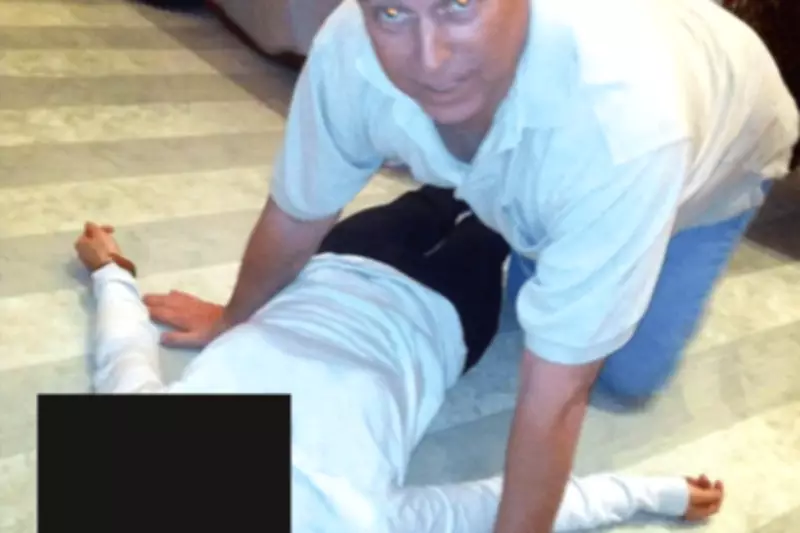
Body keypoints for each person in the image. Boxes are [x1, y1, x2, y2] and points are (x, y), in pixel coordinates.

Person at [141, 0, 797, 531]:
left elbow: (557, 396)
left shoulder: (623, 127)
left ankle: (544, 219)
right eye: (392, 12)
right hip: (590, 149)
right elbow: (295, 216)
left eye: (458, 5)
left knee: (622, 376)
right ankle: (520, 211)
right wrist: (233, 320)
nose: (430, 60)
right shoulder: (349, 45)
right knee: (541, 264)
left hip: (722, 149)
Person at [74, 187, 724, 532]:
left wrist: (111, 273)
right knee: (508, 211)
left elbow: (122, 356)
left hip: (340, 266)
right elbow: (508, 505)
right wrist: (655, 493)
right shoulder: (357, 519)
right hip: (444, 318)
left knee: (443, 185)